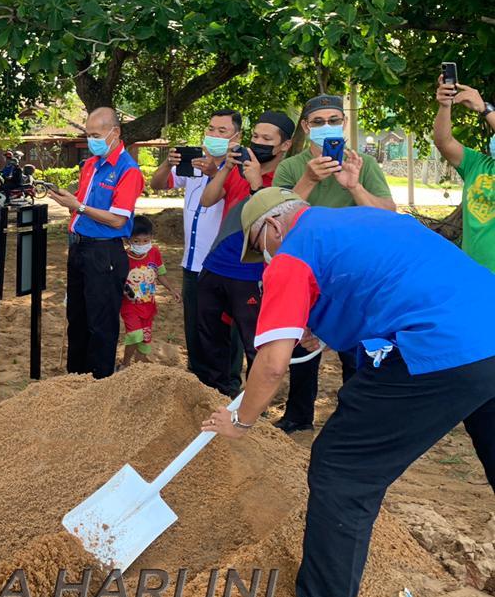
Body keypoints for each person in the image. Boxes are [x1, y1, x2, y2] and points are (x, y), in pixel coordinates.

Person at [202, 187, 495, 597]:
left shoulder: (292, 255)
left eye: (260, 245)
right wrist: (314, 323)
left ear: (275, 226)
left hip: (437, 346)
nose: (263, 258)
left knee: (342, 470)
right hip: (488, 326)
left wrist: (241, 419)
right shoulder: (365, 220)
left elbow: (272, 363)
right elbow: (380, 285)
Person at [272, 94, 395, 432]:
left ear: (344, 123)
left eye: (334, 120)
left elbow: (387, 213)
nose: (327, 127)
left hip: (356, 270)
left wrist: (354, 187)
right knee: (304, 342)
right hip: (307, 266)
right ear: (305, 126)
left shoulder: (363, 164)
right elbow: (276, 216)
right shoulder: (292, 167)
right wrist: (309, 180)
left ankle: (356, 420)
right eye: (318, 121)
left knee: (356, 348)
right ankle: (298, 417)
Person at [194, 112, 294, 396]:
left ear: (284, 146)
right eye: (255, 137)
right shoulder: (238, 170)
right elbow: (207, 199)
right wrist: (226, 168)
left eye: (266, 139)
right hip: (216, 267)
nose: (258, 143)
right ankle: (215, 396)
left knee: (255, 344)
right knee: (210, 338)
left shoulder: (285, 178)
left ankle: (252, 408)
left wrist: (256, 183)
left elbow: (276, 221)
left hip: (253, 274)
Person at [47, 107, 144, 379]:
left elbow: (116, 220)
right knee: (77, 318)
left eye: (96, 134)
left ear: (116, 133)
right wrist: (70, 201)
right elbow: (82, 205)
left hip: (104, 252)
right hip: (79, 246)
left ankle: (100, 382)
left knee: (101, 323)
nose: (92, 140)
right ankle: (75, 380)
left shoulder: (128, 170)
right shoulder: (90, 164)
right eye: (88, 134)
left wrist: (78, 206)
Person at [150, 110, 245, 386]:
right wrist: (168, 164)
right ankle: (199, 383)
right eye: (211, 129)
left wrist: (217, 172)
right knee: (195, 328)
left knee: (226, 329)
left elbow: (233, 196)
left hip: (223, 265)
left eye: (222, 131)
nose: (214, 135)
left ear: (236, 136)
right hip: (191, 264)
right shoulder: (192, 165)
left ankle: (228, 385)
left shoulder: (238, 169)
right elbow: (157, 185)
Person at [431, 77, 495, 272]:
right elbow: (444, 142)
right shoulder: (478, 164)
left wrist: (485, 108)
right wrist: (444, 106)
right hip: (473, 276)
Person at [120, 215, 178, 367]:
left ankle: (140, 365)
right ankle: (125, 364)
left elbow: (160, 274)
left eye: (146, 241)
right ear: (128, 240)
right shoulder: (123, 257)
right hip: (130, 305)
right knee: (135, 334)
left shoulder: (154, 253)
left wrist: (171, 289)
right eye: (136, 241)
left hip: (149, 305)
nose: (141, 244)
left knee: (145, 338)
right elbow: (117, 280)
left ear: (151, 237)